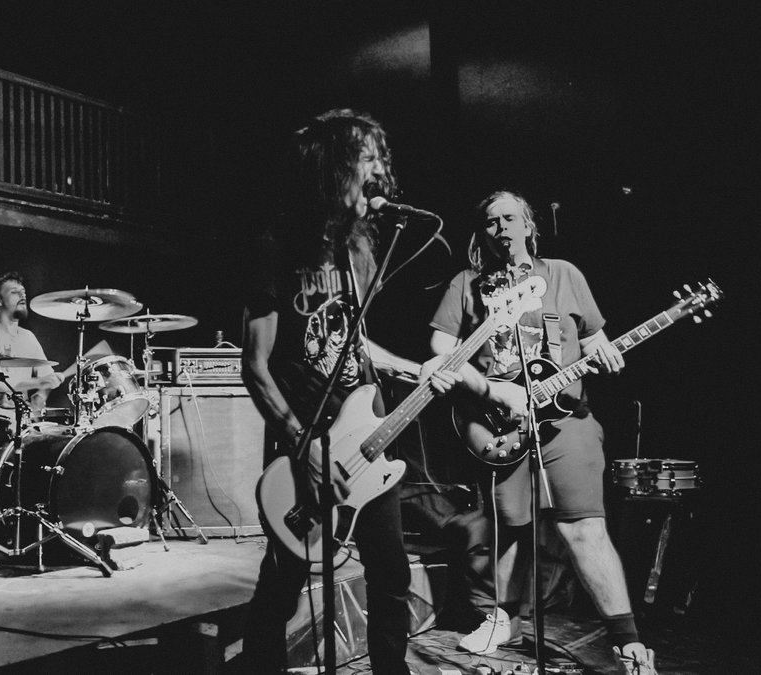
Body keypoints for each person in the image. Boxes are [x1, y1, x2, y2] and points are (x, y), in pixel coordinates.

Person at [420, 190, 657, 674]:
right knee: (510, 527)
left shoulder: (564, 275)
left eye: (510, 218)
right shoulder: (467, 284)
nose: (501, 228)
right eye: (491, 222)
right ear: (482, 233)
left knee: (583, 527)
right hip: (500, 424)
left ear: (529, 226)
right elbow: (441, 349)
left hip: (567, 420)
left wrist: (607, 353)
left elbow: (593, 339)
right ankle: (504, 618)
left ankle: (628, 644)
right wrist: (490, 391)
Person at [239, 108, 422, 674]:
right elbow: (256, 366)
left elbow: (355, 342)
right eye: (365, 159)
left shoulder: (359, 250)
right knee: (286, 579)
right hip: (306, 442)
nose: (378, 172)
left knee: (391, 572)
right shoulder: (275, 247)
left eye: (379, 159)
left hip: (367, 438)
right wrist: (304, 446)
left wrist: (416, 370)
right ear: (331, 168)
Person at [0, 271, 62, 419]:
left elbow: (48, 376)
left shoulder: (28, 337)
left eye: (23, 292)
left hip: (19, 416)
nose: (22, 296)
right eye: (14, 292)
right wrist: (38, 382)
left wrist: (41, 395)